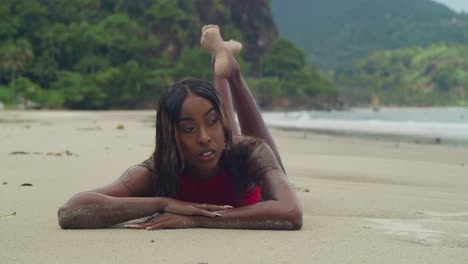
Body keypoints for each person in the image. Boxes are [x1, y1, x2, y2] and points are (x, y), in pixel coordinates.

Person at [58, 25, 302, 230]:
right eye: (187, 129)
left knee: (240, 141)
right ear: (170, 136)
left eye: (212, 122)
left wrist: (197, 219)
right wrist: (161, 203)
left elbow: (290, 211)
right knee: (223, 130)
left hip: (237, 154)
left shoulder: (248, 154)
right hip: (223, 155)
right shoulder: (158, 171)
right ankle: (222, 56)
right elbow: (70, 211)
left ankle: (232, 73)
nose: (204, 138)